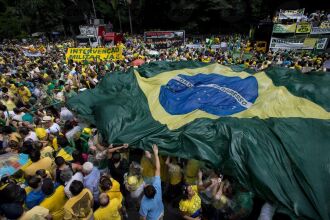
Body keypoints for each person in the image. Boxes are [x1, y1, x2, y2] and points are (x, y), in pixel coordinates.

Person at [139, 144, 164, 220]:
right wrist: (156, 153)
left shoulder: (144, 203)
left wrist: (151, 157)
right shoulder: (158, 187)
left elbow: (143, 218)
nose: (145, 184)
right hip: (161, 213)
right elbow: (158, 169)